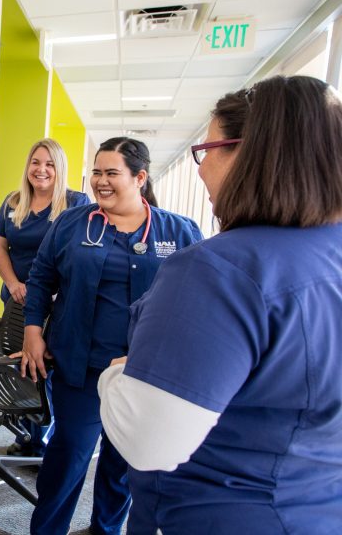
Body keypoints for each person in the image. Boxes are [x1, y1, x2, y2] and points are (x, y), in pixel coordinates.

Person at [98, 75, 342, 534]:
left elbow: (149, 441)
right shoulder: (329, 254)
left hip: (218, 513)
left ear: (252, 151)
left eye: (207, 150)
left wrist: (117, 373)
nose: (200, 168)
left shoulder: (216, 269)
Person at [20, 137, 203, 535]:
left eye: (111, 173)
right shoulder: (72, 222)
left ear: (140, 177)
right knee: (68, 457)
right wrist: (33, 330)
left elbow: (199, 296)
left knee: (122, 465)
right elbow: (40, 278)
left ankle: (106, 529)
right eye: (96, 173)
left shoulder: (180, 230)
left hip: (141, 372)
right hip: (78, 366)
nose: (100, 182)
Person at [0, 138, 89, 457]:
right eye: (36, 162)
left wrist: (58, 288)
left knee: (50, 367)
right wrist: (13, 282)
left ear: (59, 168)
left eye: (49, 164)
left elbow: (82, 253)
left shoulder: (76, 202)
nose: (41, 169)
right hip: (18, 298)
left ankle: (50, 436)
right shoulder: (13, 201)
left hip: (58, 301)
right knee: (24, 366)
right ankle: (31, 436)